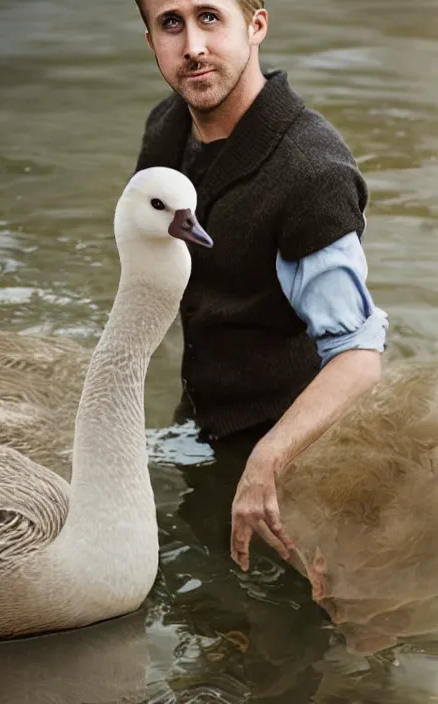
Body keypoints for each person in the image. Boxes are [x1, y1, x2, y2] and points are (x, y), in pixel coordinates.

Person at [132, 0, 388, 570]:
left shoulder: (312, 174)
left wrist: (268, 460)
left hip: (295, 454)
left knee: (291, 636)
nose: (193, 46)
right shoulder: (167, 128)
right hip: (202, 415)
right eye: (171, 23)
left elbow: (359, 355)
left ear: (256, 24)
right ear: (150, 40)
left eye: (210, 17)